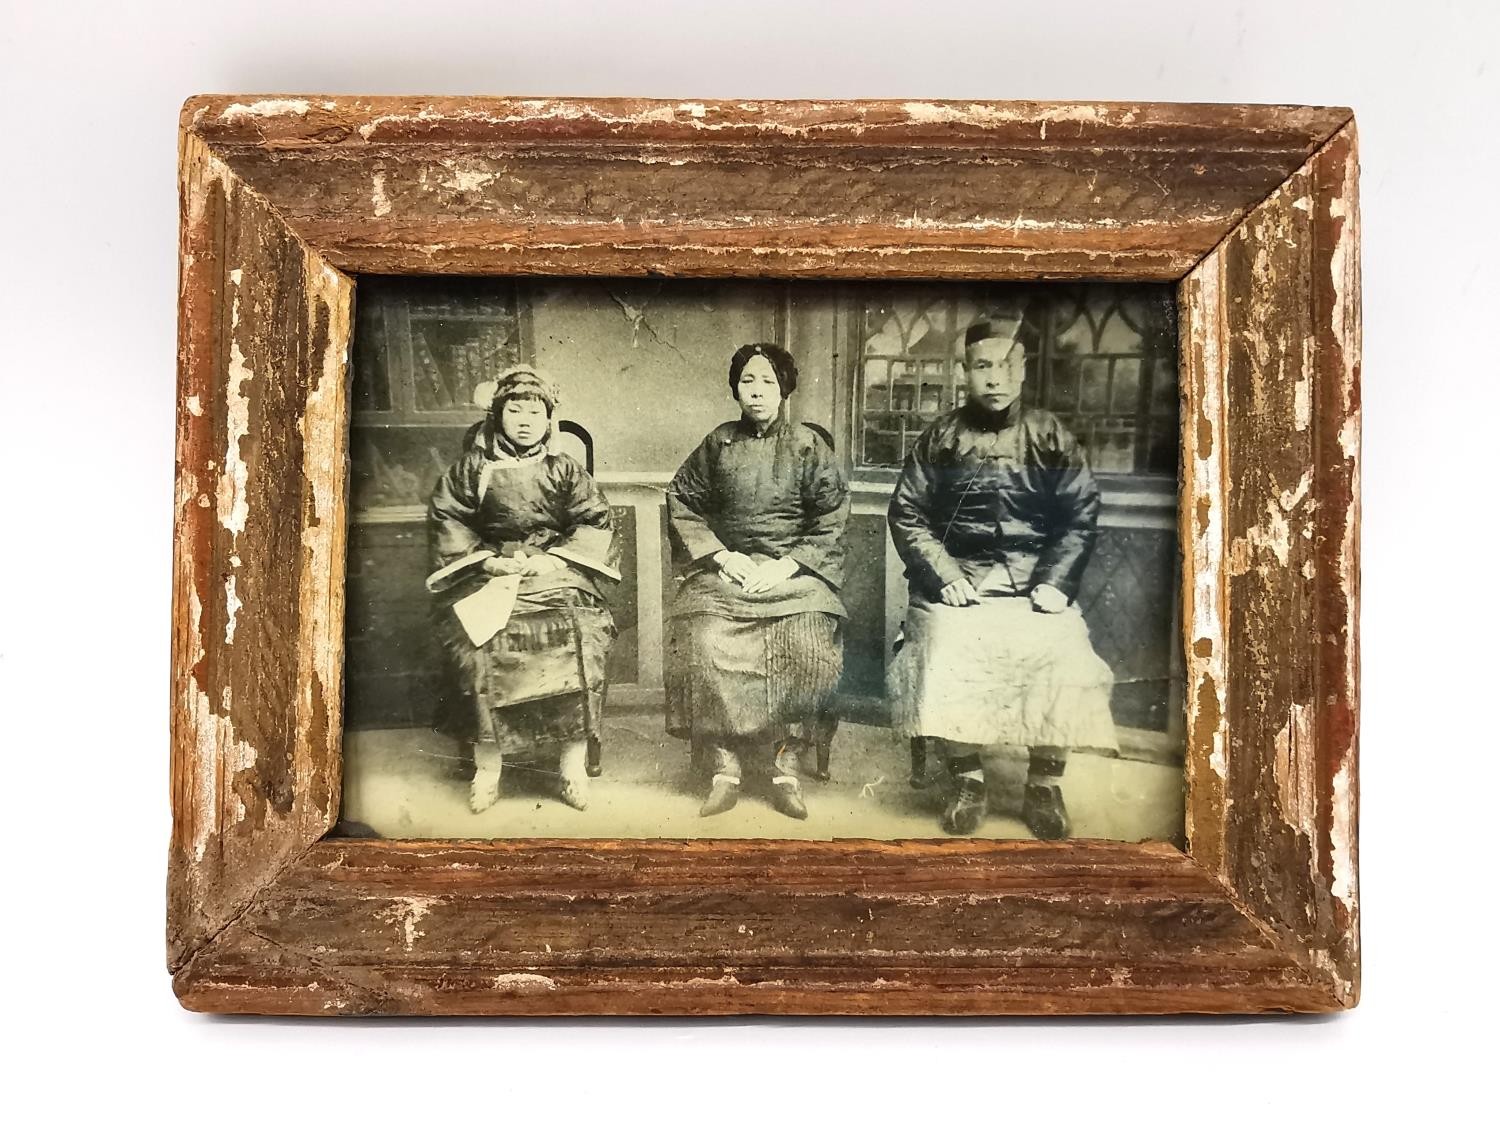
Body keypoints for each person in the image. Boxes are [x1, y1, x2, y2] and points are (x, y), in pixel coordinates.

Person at [886, 311, 1117, 838]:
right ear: (965, 372)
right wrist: (943, 575)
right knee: (945, 641)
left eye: (1005, 366)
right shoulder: (941, 437)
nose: (994, 378)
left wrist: (1056, 583)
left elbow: (1080, 513)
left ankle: (1043, 784)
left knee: (1064, 647)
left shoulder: (1048, 434)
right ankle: (968, 779)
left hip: (1034, 585)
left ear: (1023, 371)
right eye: (981, 366)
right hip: (957, 583)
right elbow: (907, 512)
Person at [665, 343, 850, 820]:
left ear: (785, 388)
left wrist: (788, 564)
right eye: (748, 381)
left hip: (793, 575)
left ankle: (785, 763)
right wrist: (723, 556)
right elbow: (682, 501)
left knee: (809, 644)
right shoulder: (718, 442)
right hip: (728, 574)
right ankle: (724, 764)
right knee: (702, 639)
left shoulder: (809, 445)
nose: (758, 391)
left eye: (768, 381)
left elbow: (831, 517)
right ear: (735, 389)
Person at [427, 364, 620, 814]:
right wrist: (489, 561)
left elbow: (595, 521)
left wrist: (553, 559)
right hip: (488, 568)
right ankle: (488, 765)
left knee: (582, 635)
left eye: (536, 411)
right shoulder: (472, 467)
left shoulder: (564, 468)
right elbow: (448, 519)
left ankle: (571, 764)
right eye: (516, 409)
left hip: (554, 571)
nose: (526, 419)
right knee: (479, 643)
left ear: (549, 418)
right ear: (499, 413)